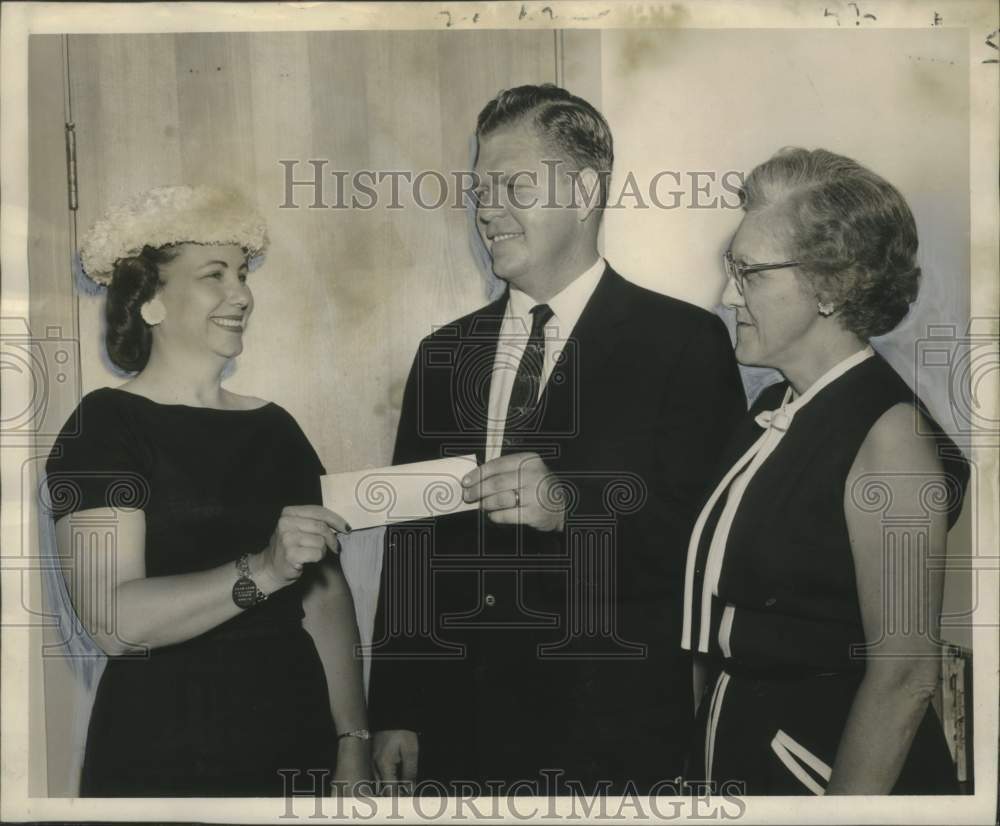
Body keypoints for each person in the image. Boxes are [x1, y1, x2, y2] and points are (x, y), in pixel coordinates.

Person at [368, 85, 746, 795]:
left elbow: (707, 546)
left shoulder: (684, 343)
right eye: (480, 188)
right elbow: (410, 545)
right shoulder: (444, 353)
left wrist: (572, 507)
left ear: (582, 190)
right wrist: (396, 710)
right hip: (460, 737)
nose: (486, 209)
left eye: (511, 184)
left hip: (612, 739)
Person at [44, 186, 370, 796]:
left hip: (293, 736)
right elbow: (113, 623)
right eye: (213, 275)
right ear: (150, 302)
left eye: (243, 275)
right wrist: (264, 571)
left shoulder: (275, 427)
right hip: (164, 746)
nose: (241, 295)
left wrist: (353, 742)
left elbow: (327, 600)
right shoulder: (102, 427)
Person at [682, 148, 969, 795]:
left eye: (749, 273)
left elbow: (905, 676)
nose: (729, 295)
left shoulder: (891, 438)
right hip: (740, 756)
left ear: (832, 286)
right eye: (732, 270)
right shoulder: (773, 409)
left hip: (832, 776)